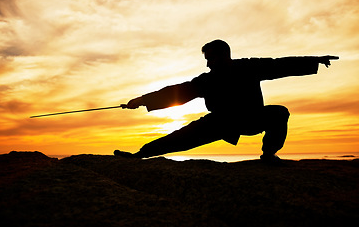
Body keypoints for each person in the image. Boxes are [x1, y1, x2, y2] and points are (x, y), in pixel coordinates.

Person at [114, 40, 338, 162]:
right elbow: (178, 91)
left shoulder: (249, 67)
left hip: (251, 118)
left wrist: (314, 60)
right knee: (179, 138)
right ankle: (139, 155)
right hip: (220, 123)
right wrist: (143, 100)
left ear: (223, 55)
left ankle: (269, 154)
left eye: (211, 58)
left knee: (279, 112)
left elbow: (279, 65)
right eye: (207, 59)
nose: (208, 64)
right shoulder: (206, 80)